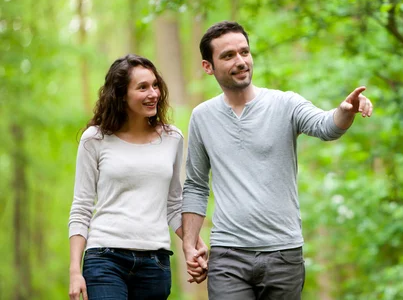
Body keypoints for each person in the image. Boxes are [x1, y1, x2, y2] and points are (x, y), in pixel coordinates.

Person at [181, 21, 373, 299]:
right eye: (228, 55)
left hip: (283, 254)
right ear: (207, 66)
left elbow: (326, 126)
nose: (240, 61)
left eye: (244, 52)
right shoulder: (202, 117)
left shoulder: (285, 104)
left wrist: (346, 111)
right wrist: (189, 244)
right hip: (228, 256)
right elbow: (196, 185)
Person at [68, 54, 205, 300]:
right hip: (104, 258)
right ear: (120, 95)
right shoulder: (95, 139)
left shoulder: (172, 138)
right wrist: (75, 270)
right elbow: (81, 207)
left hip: (155, 263)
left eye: (155, 85)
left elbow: (173, 204)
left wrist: (193, 242)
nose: (153, 93)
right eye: (142, 87)